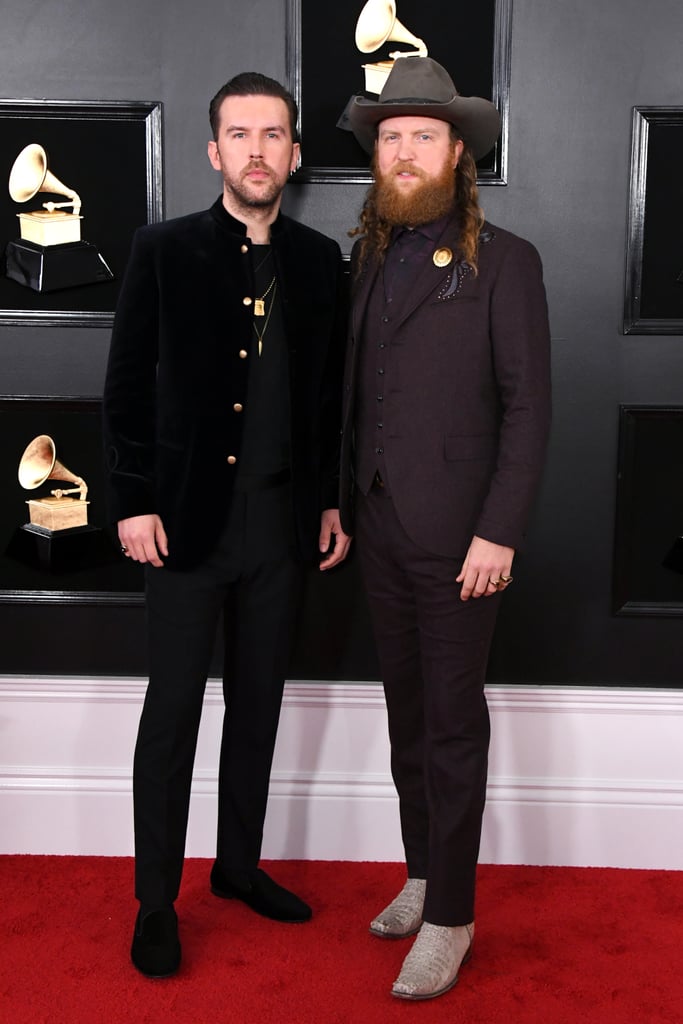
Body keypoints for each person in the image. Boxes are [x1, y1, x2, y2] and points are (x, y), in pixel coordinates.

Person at [102, 71, 351, 979]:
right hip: (181, 528)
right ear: (214, 151)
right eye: (239, 134)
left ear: (292, 153)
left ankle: (238, 867)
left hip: (281, 527)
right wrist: (132, 500)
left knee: (258, 710)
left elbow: (325, 401)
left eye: (272, 134)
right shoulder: (161, 250)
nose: (256, 150)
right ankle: (156, 902)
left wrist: (324, 499)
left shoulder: (322, 262)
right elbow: (126, 386)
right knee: (170, 719)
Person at [340, 56, 551, 1000]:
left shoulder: (504, 260)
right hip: (379, 527)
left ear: (456, 152)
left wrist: (498, 531)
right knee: (406, 719)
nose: (405, 150)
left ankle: (453, 917)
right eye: (391, 137)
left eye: (423, 134)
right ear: (377, 155)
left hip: (465, 540)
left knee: (453, 726)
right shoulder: (367, 254)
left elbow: (527, 408)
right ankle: (423, 874)